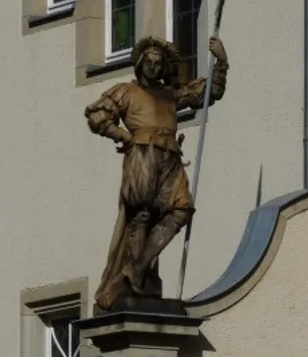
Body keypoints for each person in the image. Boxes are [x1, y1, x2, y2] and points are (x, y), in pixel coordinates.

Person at [84, 35, 229, 311]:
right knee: (141, 214)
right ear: (140, 64)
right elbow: (97, 115)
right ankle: (137, 283)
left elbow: (209, 93)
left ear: (164, 66)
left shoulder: (171, 95)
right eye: (148, 61)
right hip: (142, 153)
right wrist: (123, 136)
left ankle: (136, 268)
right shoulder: (126, 91)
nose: (152, 66)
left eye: (157, 62)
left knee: (182, 209)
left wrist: (221, 61)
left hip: (170, 156)